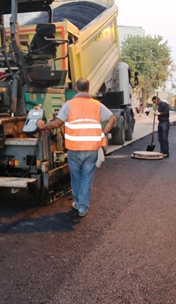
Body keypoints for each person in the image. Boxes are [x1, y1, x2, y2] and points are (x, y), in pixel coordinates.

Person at [36, 78, 116, 217]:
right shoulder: (97, 105)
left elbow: (57, 124)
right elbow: (112, 119)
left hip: (74, 149)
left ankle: (78, 203)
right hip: (91, 149)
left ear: (76, 89)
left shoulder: (69, 104)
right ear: (88, 89)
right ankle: (82, 208)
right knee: (87, 178)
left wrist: (42, 126)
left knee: (76, 178)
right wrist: (103, 133)